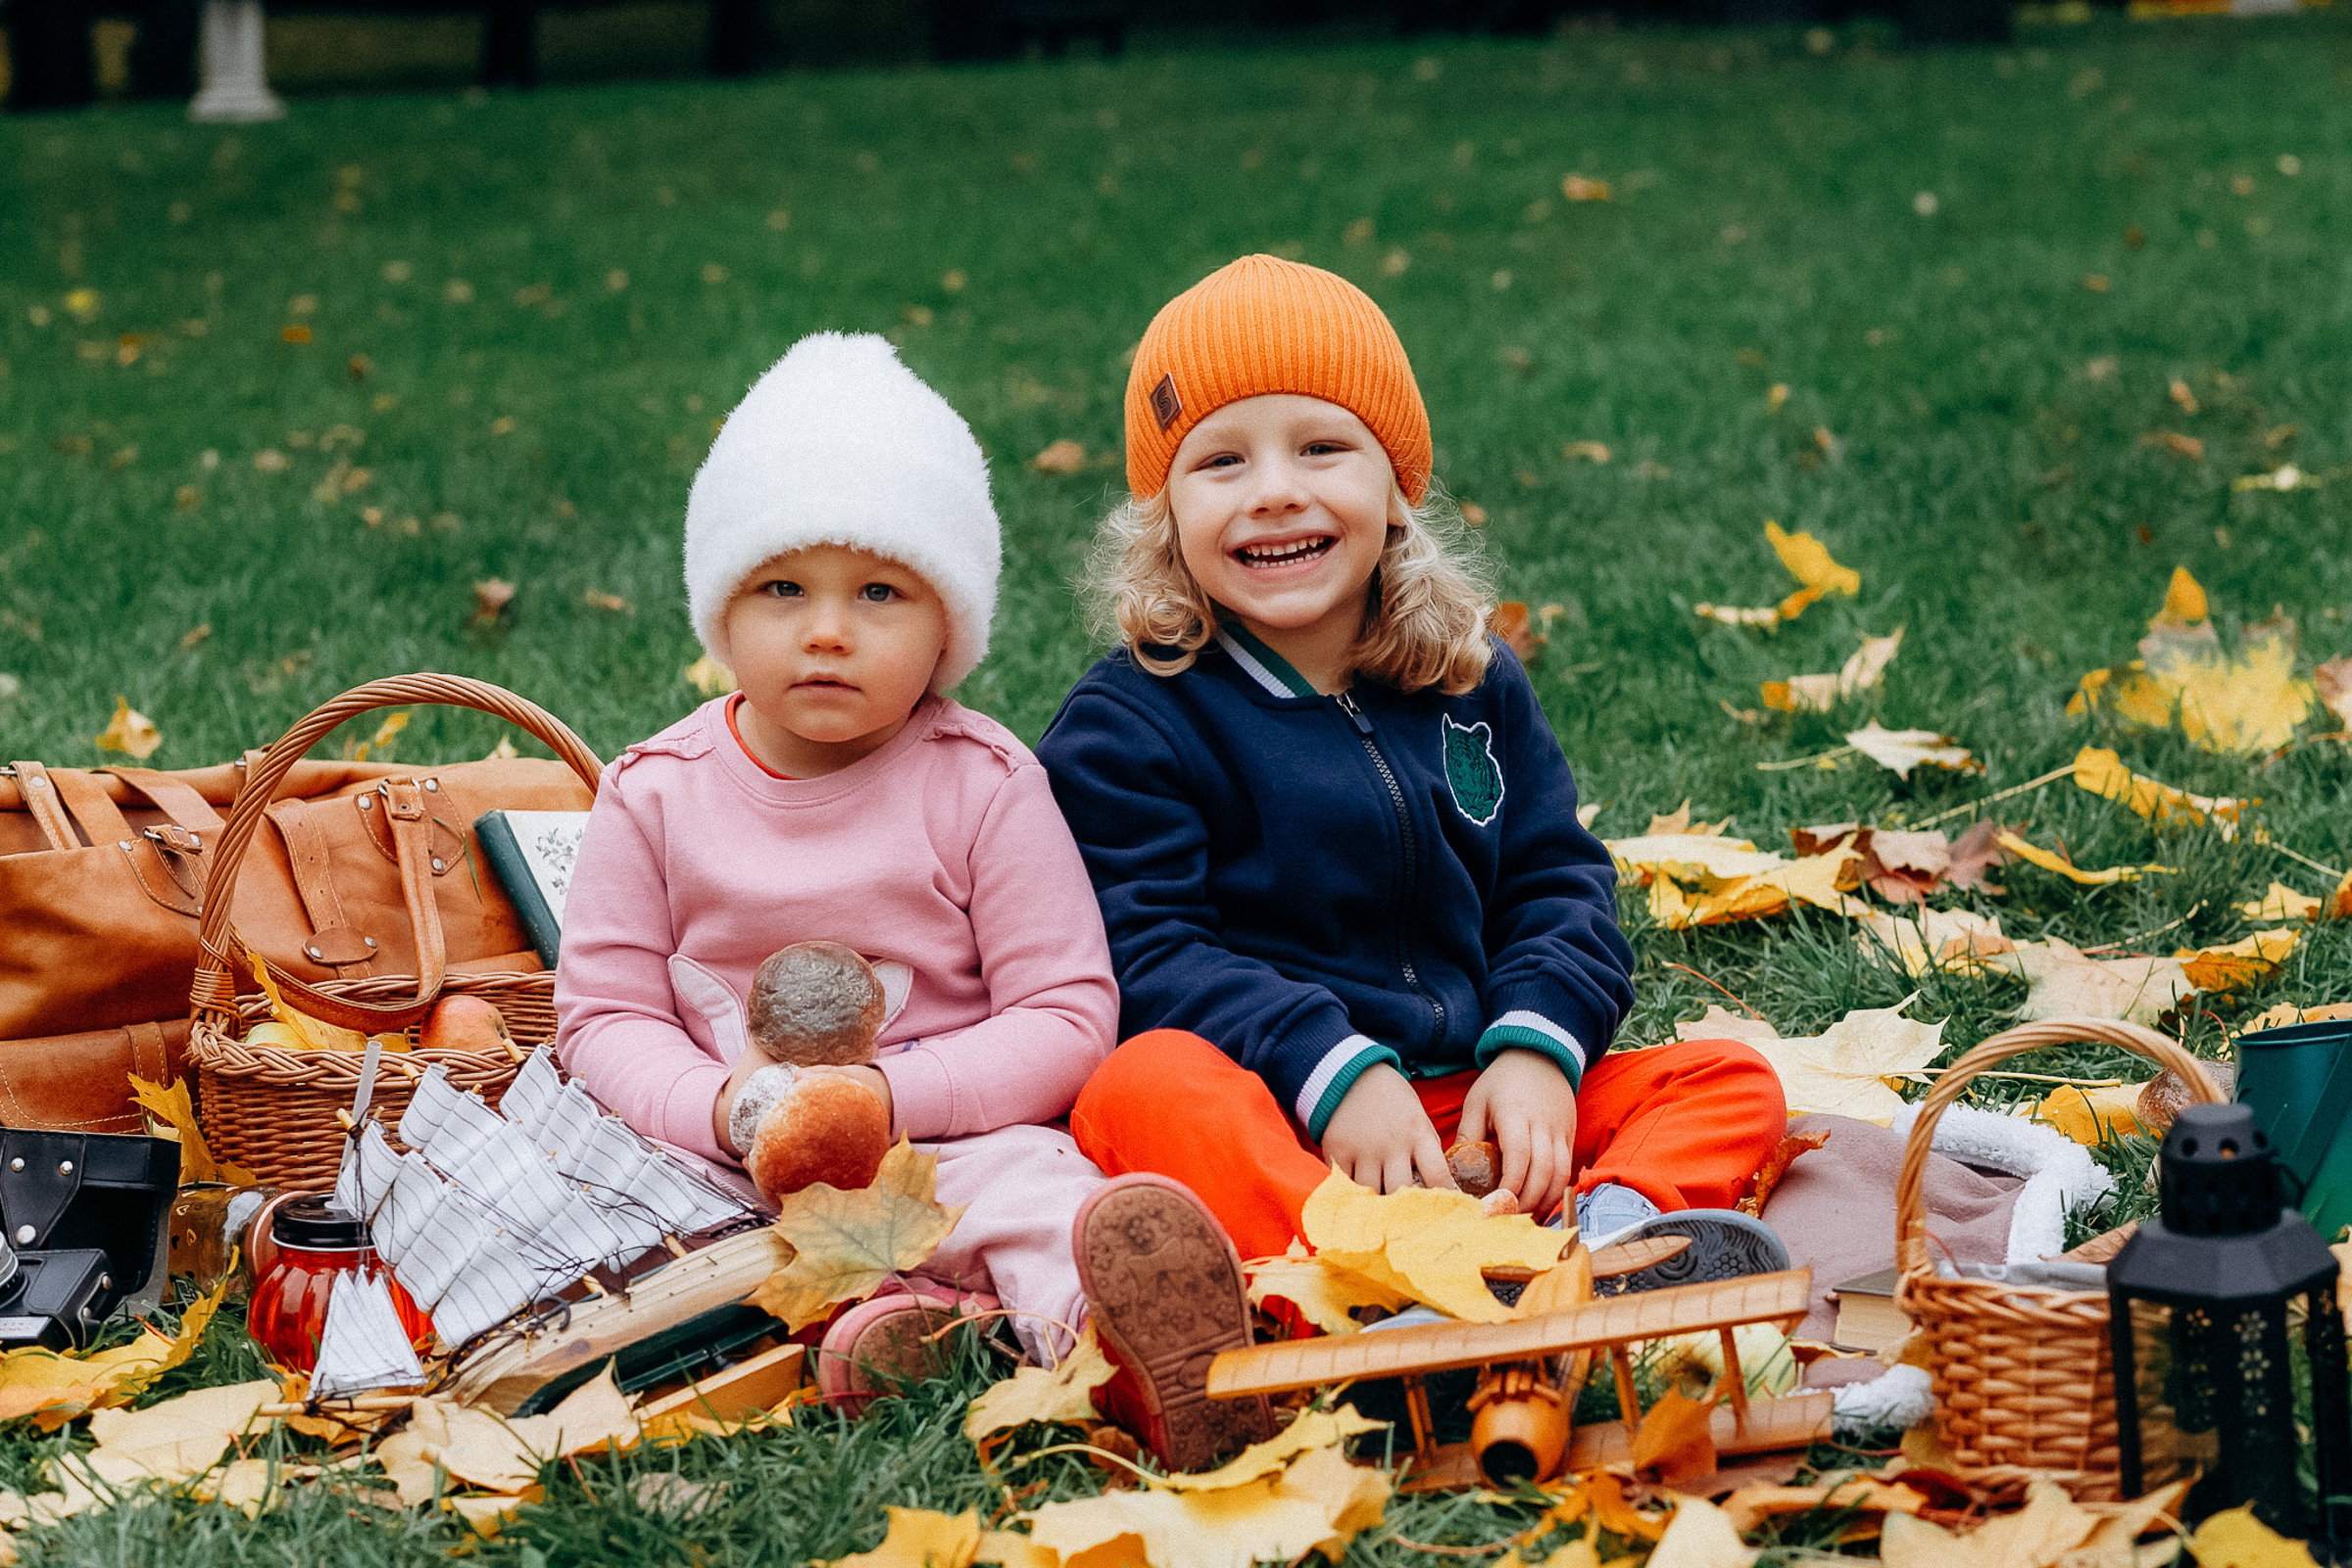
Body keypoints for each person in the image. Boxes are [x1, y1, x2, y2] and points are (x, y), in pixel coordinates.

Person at [1038, 255, 1792, 1330]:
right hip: (1292, 1110)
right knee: (1140, 1090)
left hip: (1475, 1096)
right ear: (1164, 515)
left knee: (1727, 1078)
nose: (1275, 490)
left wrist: (1536, 1045)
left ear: (1398, 486)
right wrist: (1331, 1069)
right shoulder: (1133, 721)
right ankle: (1369, 1285)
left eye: (1321, 446)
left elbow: (1554, 881)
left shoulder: (1467, 680)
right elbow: (1144, 949)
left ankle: (1610, 1243)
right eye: (1220, 461)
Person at [555, 333, 1267, 1466]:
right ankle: (893, 1323)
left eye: (880, 590)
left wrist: (894, 1099)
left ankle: (1134, 1343)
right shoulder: (655, 794)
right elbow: (602, 1016)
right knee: (640, 1220)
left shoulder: (981, 786)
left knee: (1044, 1201)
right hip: (719, 1157)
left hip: (943, 1141)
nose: (827, 627)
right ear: (720, 611)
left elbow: (1068, 1010)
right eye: (782, 587)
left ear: (951, 629)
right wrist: (724, 1108)